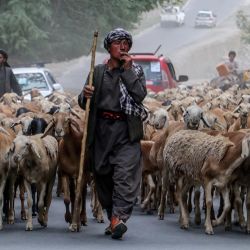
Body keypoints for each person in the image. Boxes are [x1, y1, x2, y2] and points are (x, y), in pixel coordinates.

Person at [78, 28, 147, 239]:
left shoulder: (135, 71)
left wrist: (127, 71)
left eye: (126, 43)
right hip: (102, 132)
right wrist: (85, 94)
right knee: (103, 176)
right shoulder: (97, 72)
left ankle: (119, 217)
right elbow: (84, 103)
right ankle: (112, 217)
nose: (123, 46)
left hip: (126, 131)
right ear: (109, 47)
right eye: (118, 43)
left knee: (125, 176)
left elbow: (139, 95)